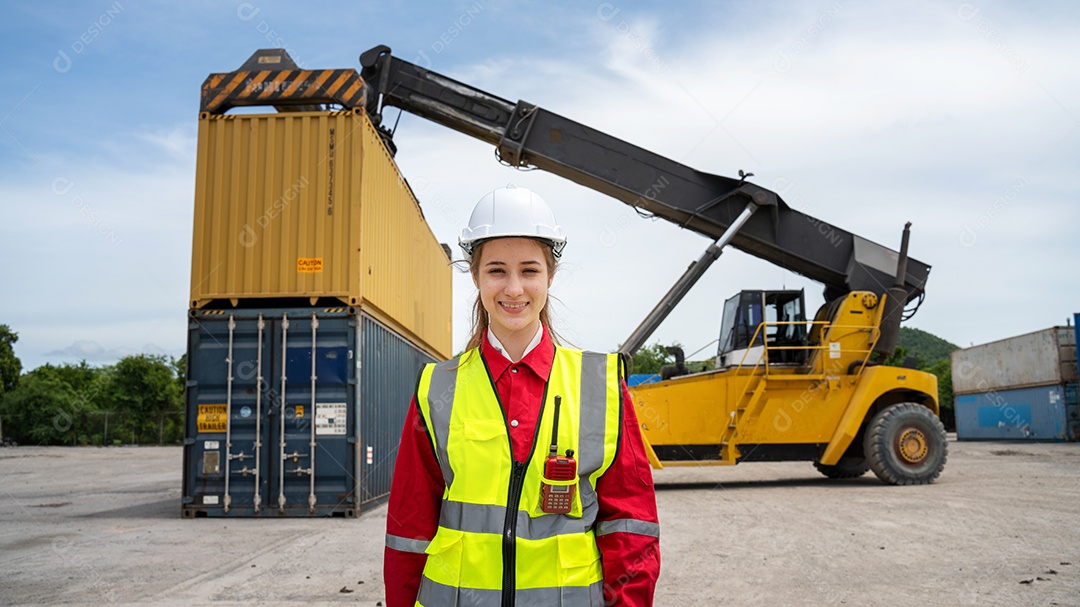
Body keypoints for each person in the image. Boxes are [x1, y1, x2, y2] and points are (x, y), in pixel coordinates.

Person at [384, 185, 660, 607]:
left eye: (529, 270)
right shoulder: (436, 387)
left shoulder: (601, 385)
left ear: (550, 276)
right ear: (475, 276)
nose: (513, 288)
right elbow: (409, 528)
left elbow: (629, 527)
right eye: (496, 270)